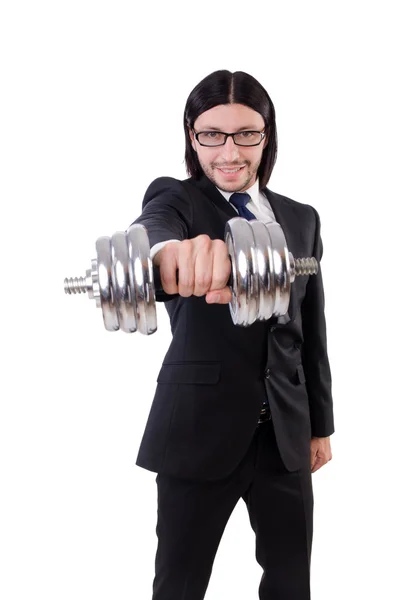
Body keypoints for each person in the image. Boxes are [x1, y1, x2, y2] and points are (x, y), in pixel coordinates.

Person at [129, 69, 334, 600]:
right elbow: (155, 228)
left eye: (247, 134)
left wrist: (320, 425)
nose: (230, 151)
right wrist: (165, 256)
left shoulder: (301, 218)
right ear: (191, 138)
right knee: (179, 584)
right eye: (211, 135)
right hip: (200, 431)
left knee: (292, 583)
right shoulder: (180, 201)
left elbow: (311, 328)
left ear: (267, 136)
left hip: (284, 436)